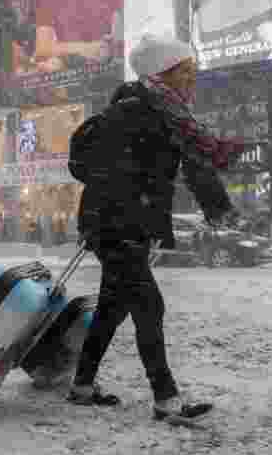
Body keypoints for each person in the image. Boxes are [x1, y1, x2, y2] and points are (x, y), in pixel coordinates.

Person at [69, 35, 243, 425]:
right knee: (149, 305)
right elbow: (109, 171)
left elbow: (191, 163)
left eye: (193, 72)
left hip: (121, 221)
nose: (192, 81)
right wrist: (125, 208)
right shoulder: (139, 112)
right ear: (162, 73)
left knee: (113, 308)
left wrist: (218, 207)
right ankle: (166, 399)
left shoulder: (157, 111)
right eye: (186, 72)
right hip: (118, 223)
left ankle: (82, 385)